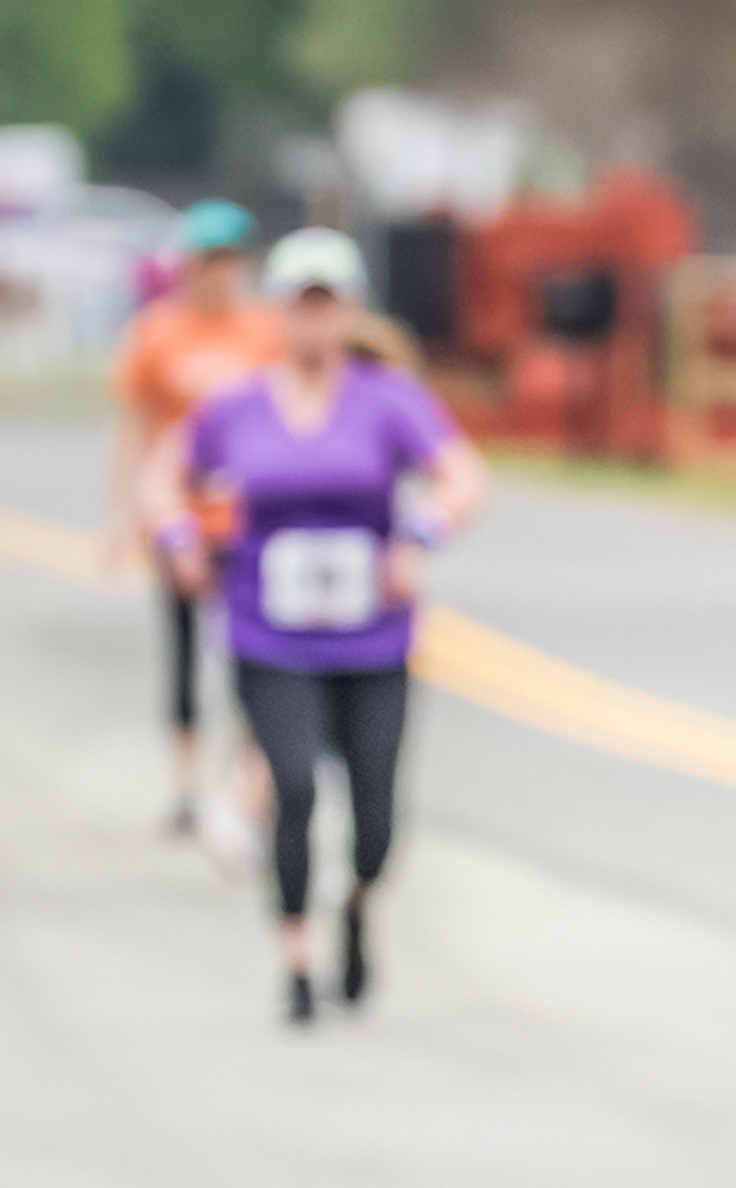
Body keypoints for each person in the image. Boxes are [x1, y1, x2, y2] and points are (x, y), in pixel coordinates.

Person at [139, 227, 483, 1025]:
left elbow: (463, 476)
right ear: (278, 311)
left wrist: (421, 535)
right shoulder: (237, 407)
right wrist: (178, 538)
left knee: (375, 821)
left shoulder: (388, 400)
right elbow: (165, 476)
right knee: (291, 784)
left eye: (328, 304)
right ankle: (296, 959)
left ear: (351, 310)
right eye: (300, 303)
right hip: (271, 632)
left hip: (373, 637)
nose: (314, 319)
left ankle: (356, 902)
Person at [107, 198, 276, 837]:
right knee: (181, 653)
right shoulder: (158, 333)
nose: (218, 273)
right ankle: (184, 787)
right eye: (208, 260)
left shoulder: (265, 332)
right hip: (177, 517)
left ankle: (249, 784)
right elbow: (132, 428)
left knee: (253, 657)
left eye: (228, 260)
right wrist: (121, 514)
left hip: (248, 518)